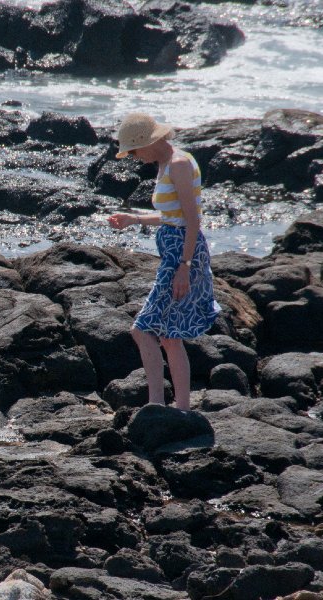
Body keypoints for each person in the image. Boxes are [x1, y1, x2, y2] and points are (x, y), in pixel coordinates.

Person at [107, 113, 221, 411]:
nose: (134, 158)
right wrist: (136, 219)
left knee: (142, 330)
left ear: (150, 142)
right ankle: (182, 408)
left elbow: (193, 220)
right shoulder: (166, 164)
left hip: (182, 254)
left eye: (134, 151)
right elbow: (173, 216)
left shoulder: (179, 164)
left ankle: (156, 403)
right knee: (170, 335)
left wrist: (183, 266)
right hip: (176, 251)